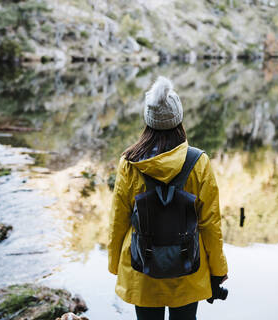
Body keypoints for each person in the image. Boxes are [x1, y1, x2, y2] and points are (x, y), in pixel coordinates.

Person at [108, 76, 228, 320]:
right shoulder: (199, 162)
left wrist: (114, 264)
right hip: (188, 270)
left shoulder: (129, 163)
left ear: (147, 121)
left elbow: (118, 220)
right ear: (179, 120)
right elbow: (210, 224)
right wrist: (218, 270)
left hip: (142, 269)